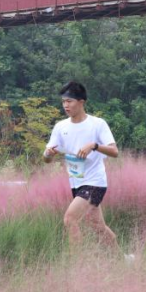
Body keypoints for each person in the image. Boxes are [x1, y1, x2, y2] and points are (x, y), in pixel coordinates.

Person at [43, 81, 123, 253]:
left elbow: (114, 151)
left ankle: (76, 262)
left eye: (69, 101)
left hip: (95, 182)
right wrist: (49, 154)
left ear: (81, 102)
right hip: (76, 182)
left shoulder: (97, 124)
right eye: (63, 102)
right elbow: (46, 158)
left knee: (70, 219)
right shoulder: (60, 127)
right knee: (98, 227)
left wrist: (94, 146)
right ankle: (123, 260)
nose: (65, 105)